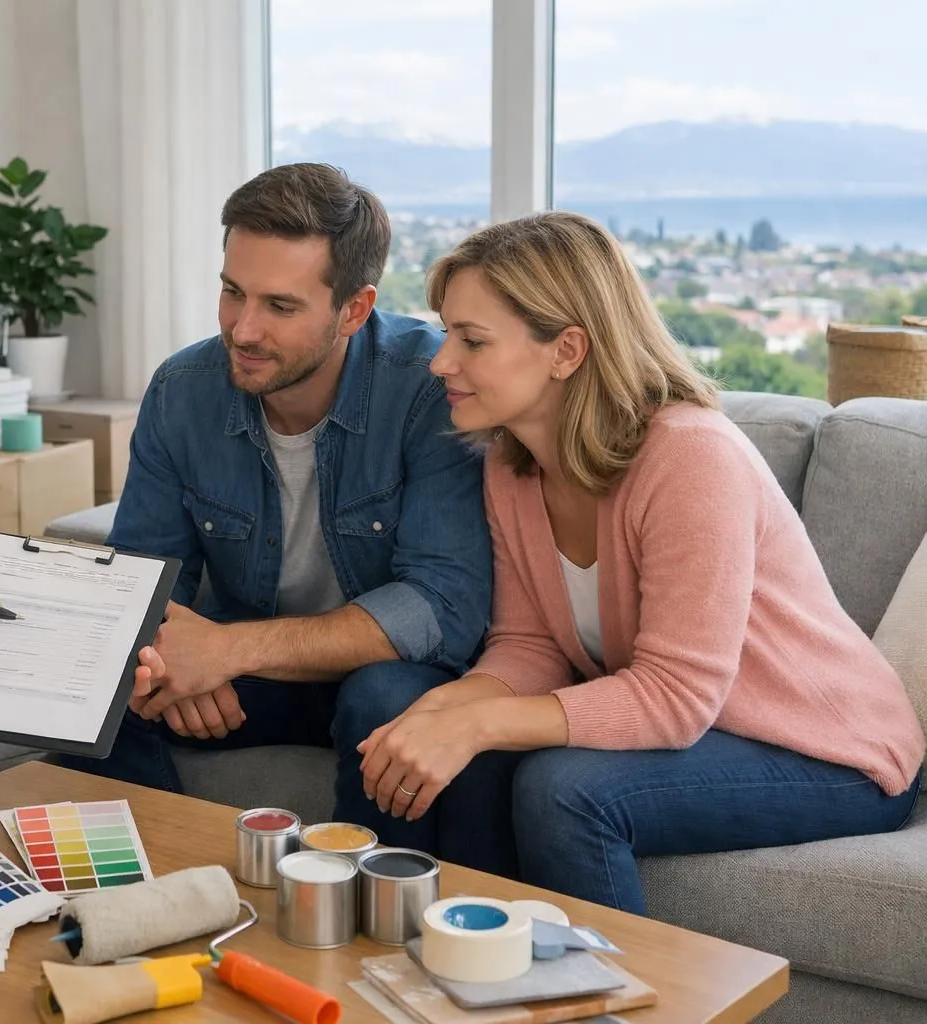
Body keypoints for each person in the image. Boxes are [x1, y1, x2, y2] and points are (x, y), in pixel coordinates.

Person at [357, 210, 925, 912]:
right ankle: (468, 962)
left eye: (472, 340)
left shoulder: (690, 456)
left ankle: (600, 984)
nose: (442, 362)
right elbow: (530, 645)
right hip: (709, 734)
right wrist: (442, 712)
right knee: (461, 755)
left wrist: (478, 723)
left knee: (564, 788)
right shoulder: (512, 465)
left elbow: (677, 696)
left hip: (833, 753)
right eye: (447, 334)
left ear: (567, 350)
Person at [56, 163, 494, 849]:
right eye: (233, 292)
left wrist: (224, 651)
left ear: (354, 309)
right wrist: (167, 662)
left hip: (382, 673)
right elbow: (139, 579)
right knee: (98, 695)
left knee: (384, 698)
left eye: (280, 307)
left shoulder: (430, 387)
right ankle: (159, 893)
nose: (243, 329)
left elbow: (443, 607)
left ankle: (360, 906)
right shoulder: (182, 390)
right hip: (257, 676)